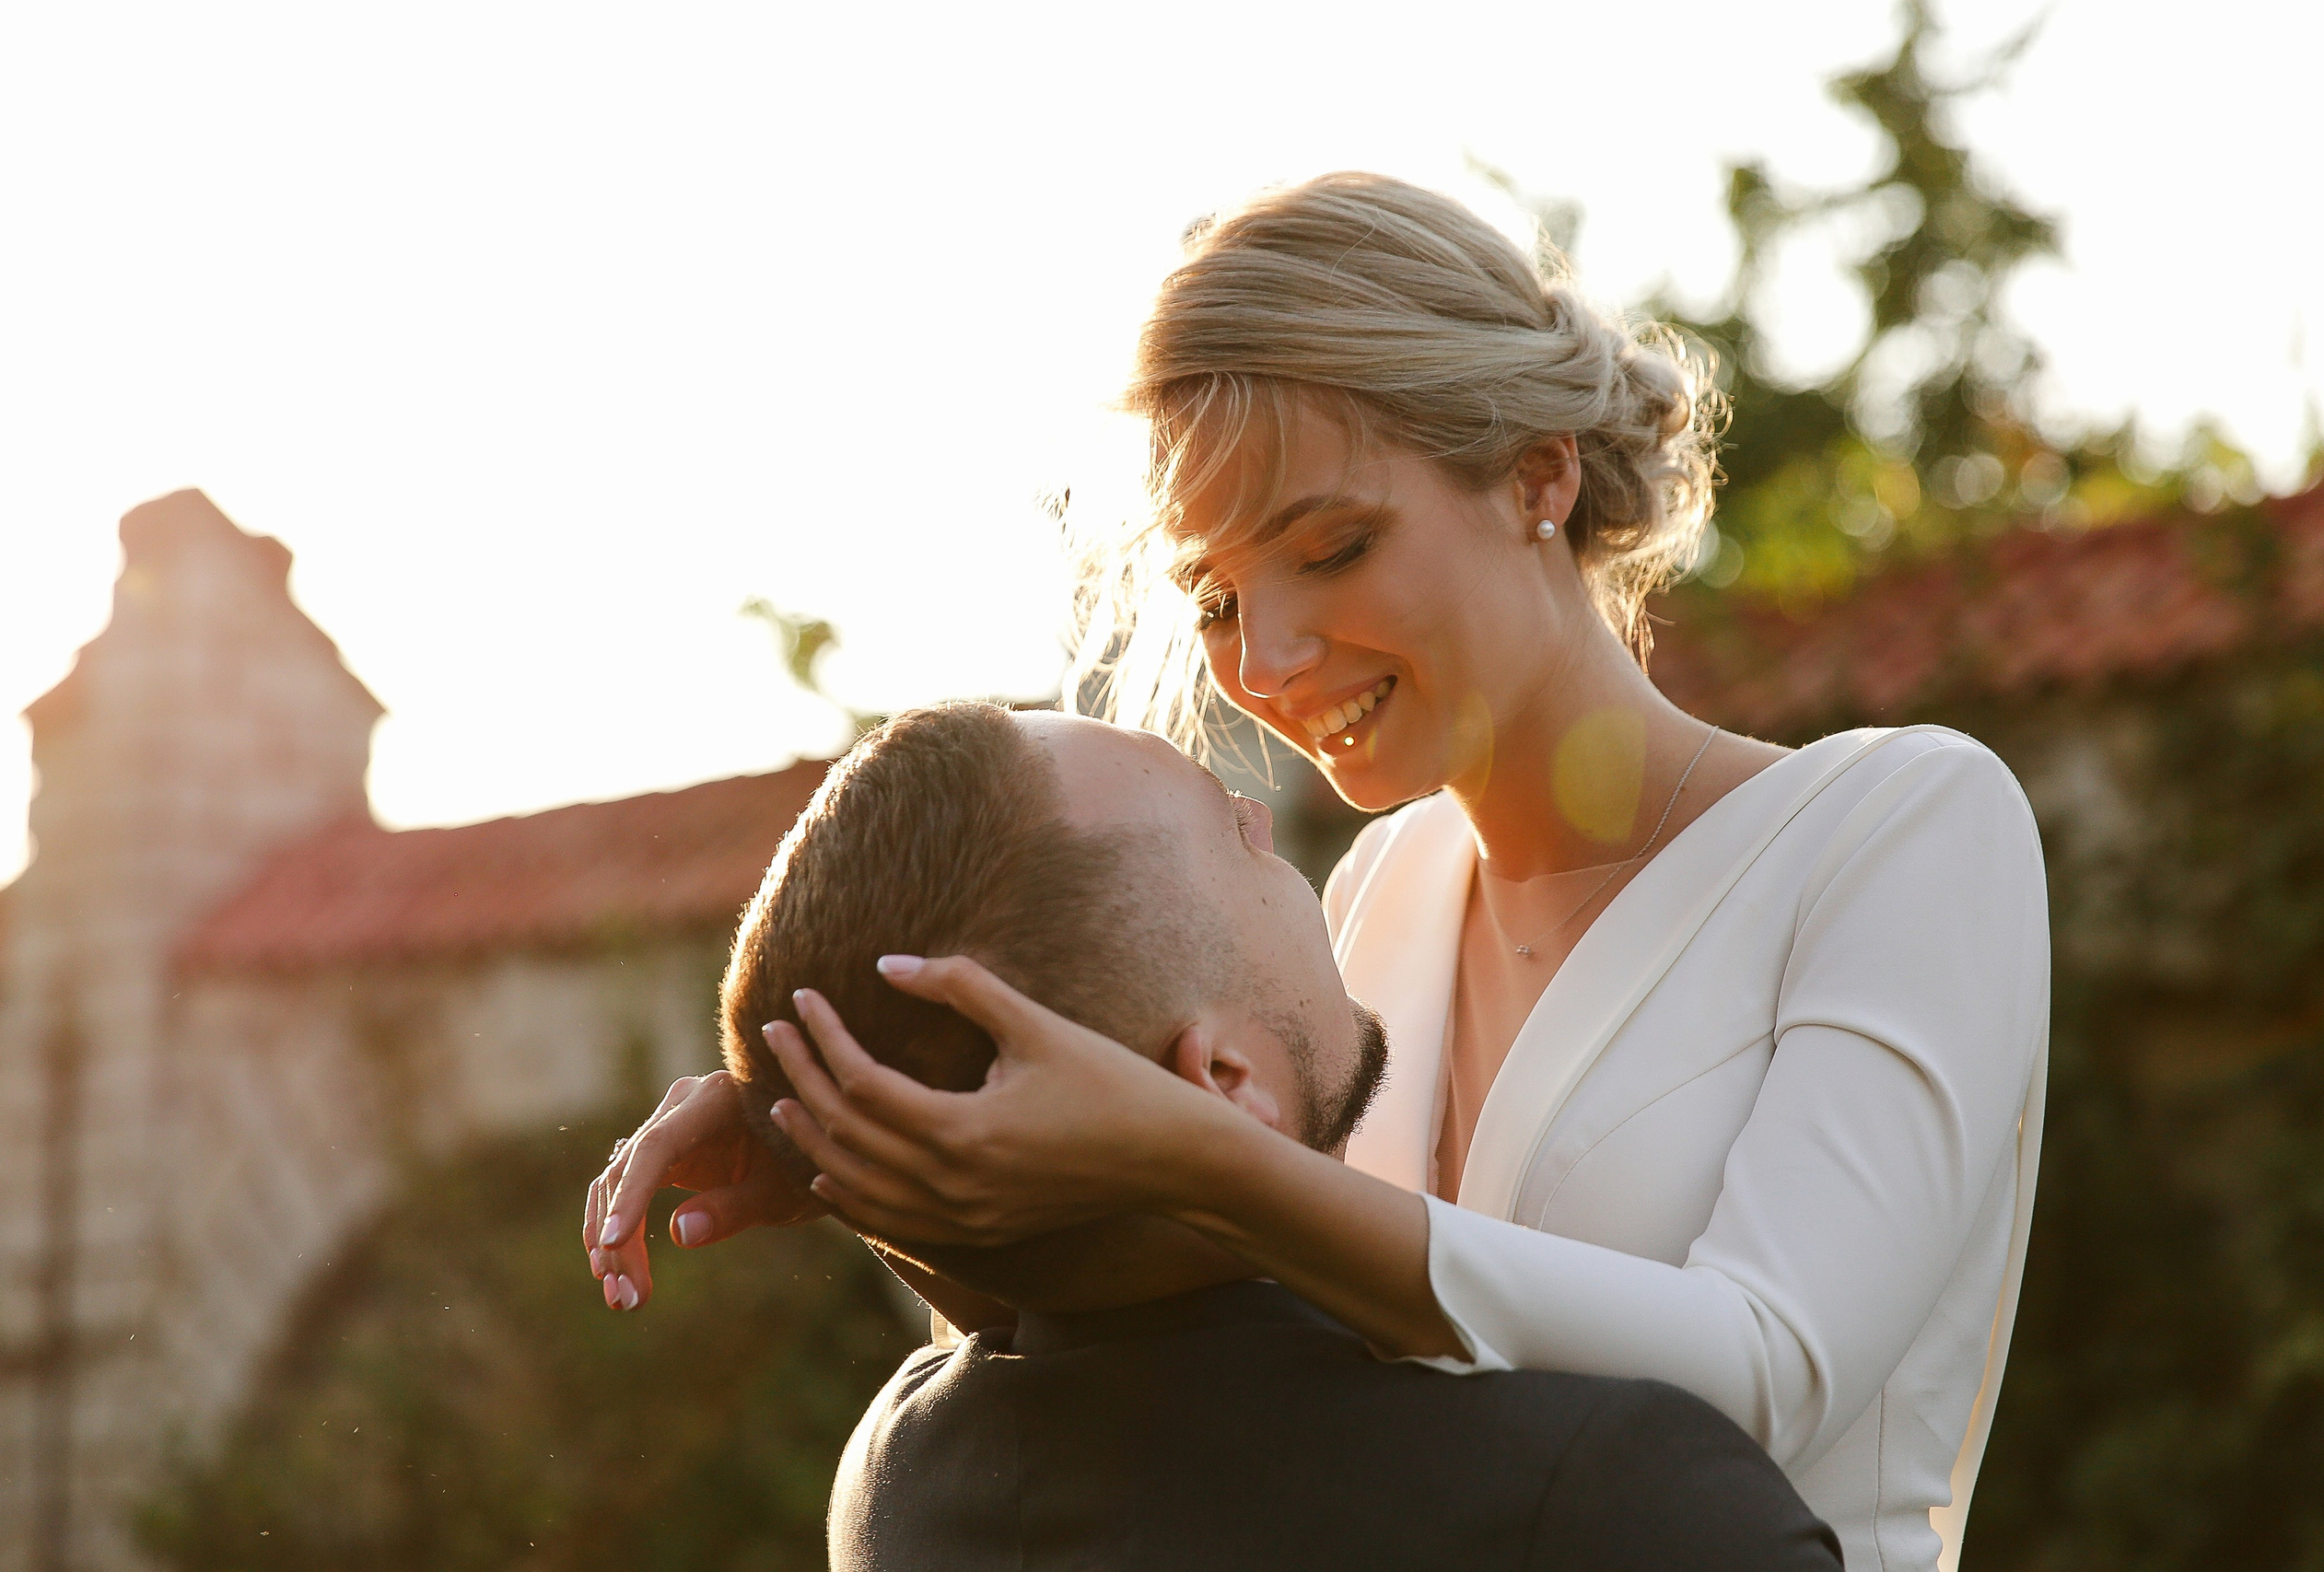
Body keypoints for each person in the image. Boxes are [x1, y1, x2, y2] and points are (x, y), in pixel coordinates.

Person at [591, 173, 2047, 1572]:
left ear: (1539, 474)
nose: (1265, 664)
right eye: (1219, 597)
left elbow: (1762, 1379)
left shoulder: (1903, 831)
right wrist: (870, 1128)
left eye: (1335, 548)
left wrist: (1194, 1153)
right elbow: (1199, 1373)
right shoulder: (1370, 896)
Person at [607, 700, 1842, 1570]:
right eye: (1235, 836)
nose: (1268, 820)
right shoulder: (1608, 1499)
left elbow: (1030, 1314)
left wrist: (828, 1150)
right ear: (1224, 1077)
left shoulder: (902, 1483)